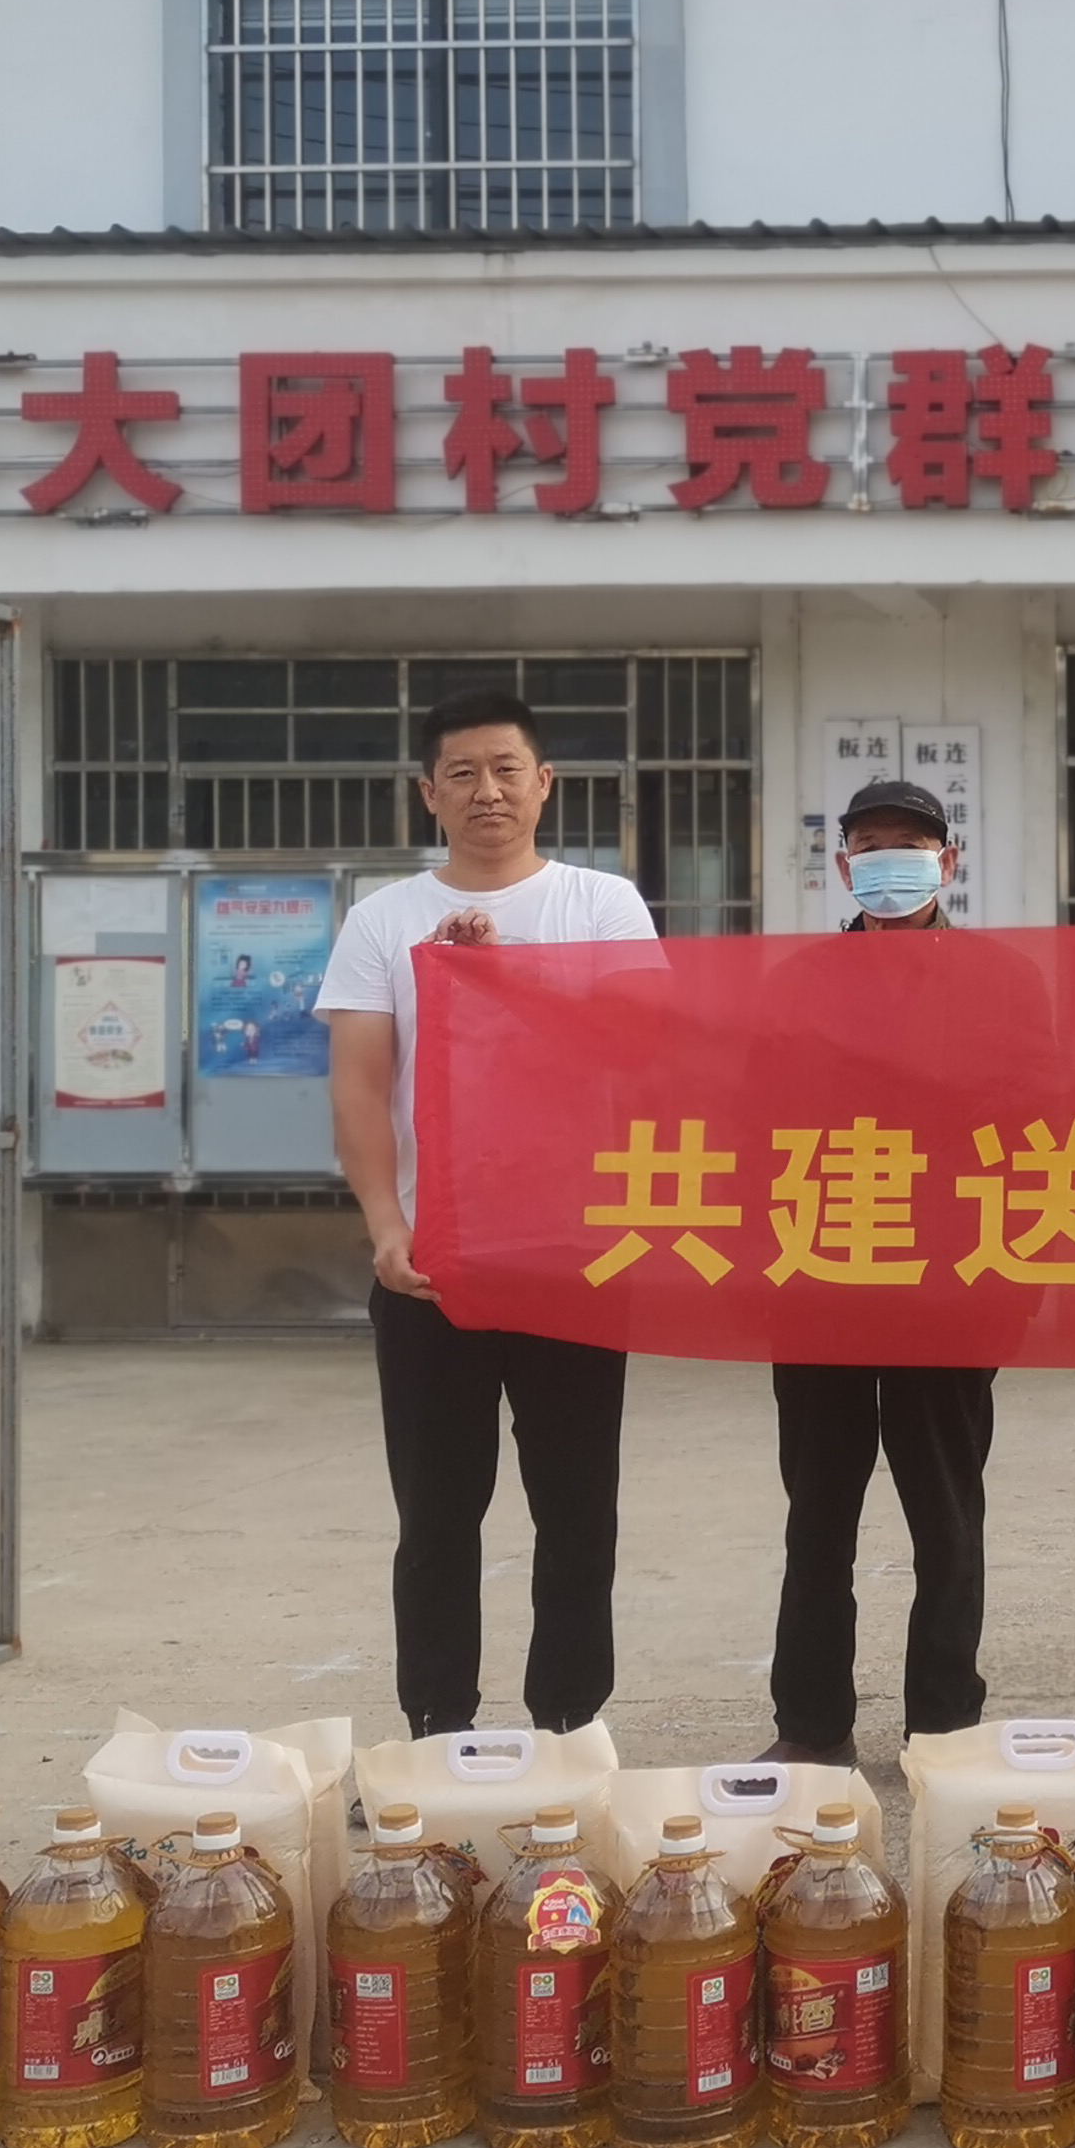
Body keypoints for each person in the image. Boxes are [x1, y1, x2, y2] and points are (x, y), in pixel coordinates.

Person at [319, 687, 659, 1738]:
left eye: (507, 769)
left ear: (544, 783)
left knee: (576, 1511)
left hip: (570, 1258)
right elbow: (360, 1087)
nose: (488, 792)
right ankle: (438, 1729)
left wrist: (501, 983)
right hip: (434, 1265)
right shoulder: (383, 920)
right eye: (461, 773)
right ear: (429, 793)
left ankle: (568, 1725)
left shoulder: (602, 907)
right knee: (435, 1516)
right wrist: (386, 1226)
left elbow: (639, 1056)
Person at [761, 778, 1002, 1764]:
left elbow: (1033, 1119)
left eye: (911, 845)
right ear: (843, 867)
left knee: (946, 1517)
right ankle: (810, 1727)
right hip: (823, 1276)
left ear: (948, 862)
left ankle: (942, 1726)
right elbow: (756, 1122)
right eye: (871, 847)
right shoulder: (799, 983)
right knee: (819, 1517)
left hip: (950, 1286)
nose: (891, 863)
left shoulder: (1001, 982)